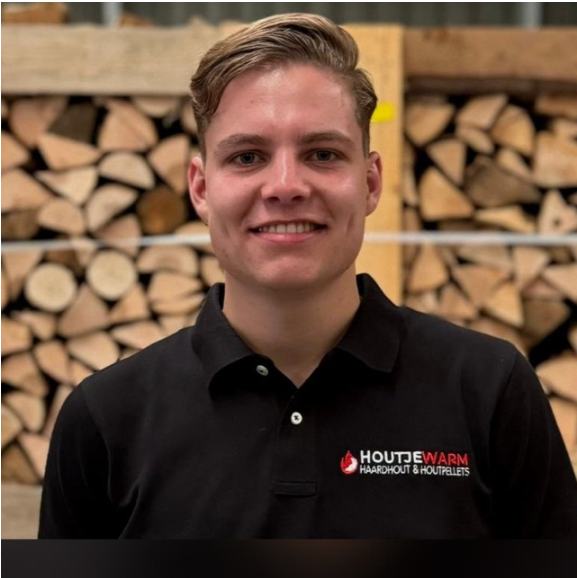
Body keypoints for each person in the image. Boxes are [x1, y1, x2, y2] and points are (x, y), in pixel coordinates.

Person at [38, 13, 577, 539]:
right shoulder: (106, 419)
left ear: (370, 183)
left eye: (322, 153)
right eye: (247, 157)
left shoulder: (489, 391)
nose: (286, 186)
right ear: (201, 189)